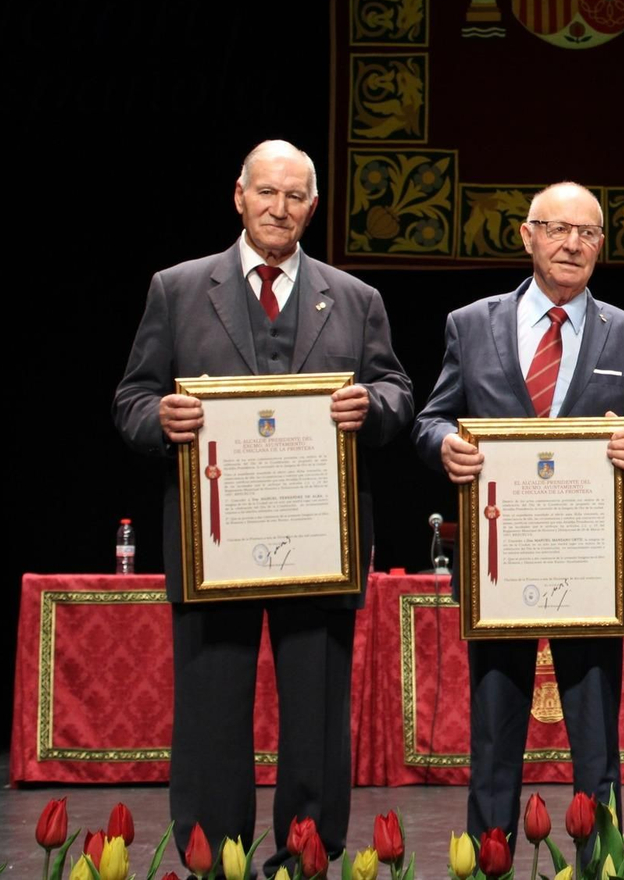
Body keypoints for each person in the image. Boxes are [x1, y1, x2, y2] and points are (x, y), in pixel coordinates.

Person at [113, 140, 414, 877]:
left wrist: (369, 406)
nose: (280, 208)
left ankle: (309, 853)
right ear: (239, 196)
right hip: (215, 541)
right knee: (212, 704)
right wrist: (162, 421)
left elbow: (399, 397)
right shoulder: (178, 288)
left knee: (315, 707)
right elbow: (131, 399)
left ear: (312, 207)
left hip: (322, 536)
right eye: (266, 193)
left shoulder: (354, 298)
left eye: (295, 196)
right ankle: (214, 853)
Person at [411, 182, 624, 847]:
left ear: (601, 246)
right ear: (528, 236)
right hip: (500, 566)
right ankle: (490, 858)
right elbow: (431, 419)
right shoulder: (470, 324)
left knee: (596, 740)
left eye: (587, 233)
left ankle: (598, 862)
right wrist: (446, 448)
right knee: (494, 732)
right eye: (556, 229)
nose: (571, 243)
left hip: (588, 570)